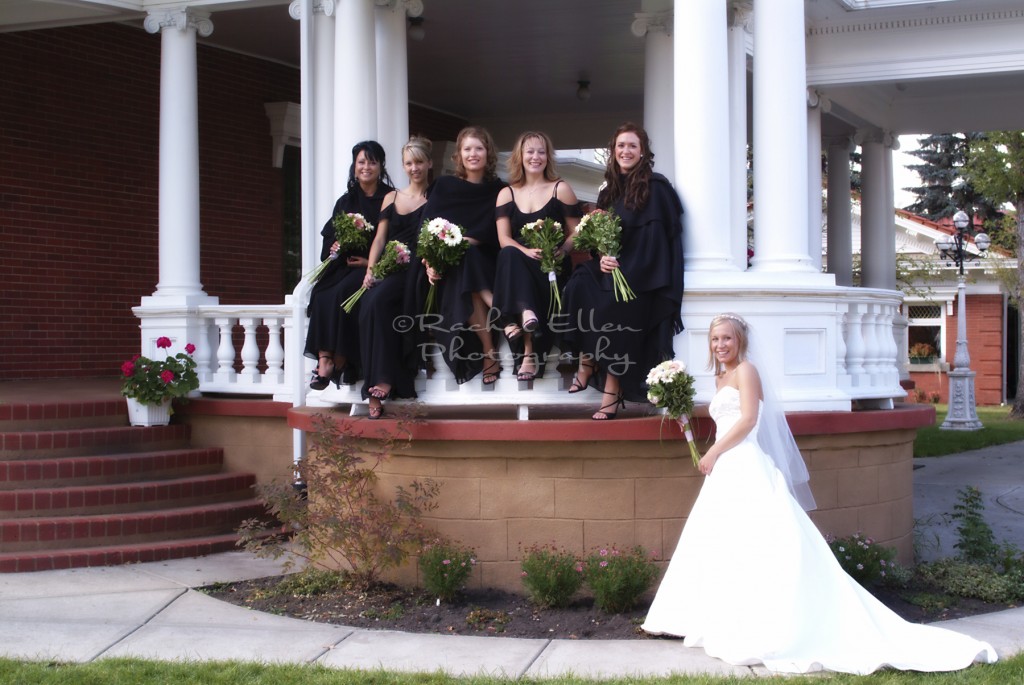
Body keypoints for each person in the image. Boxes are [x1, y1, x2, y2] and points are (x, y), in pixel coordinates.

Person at [641, 313, 997, 675]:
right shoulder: (720, 377)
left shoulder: (747, 371)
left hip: (743, 462)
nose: (721, 345)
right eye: (715, 339)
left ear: (740, 341)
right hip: (725, 470)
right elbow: (724, 417)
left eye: (727, 339)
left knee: (758, 542)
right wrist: (685, 412)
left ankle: (763, 624)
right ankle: (720, 616)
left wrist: (714, 452)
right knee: (725, 542)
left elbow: (747, 420)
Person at [561, 122, 683, 419]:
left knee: (615, 306)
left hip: (643, 275)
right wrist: (601, 257)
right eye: (620, 146)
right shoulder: (609, 193)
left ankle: (611, 391)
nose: (625, 151)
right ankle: (587, 359)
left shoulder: (657, 188)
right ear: (613, 152)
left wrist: (624, 267)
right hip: (612, 269)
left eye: (632, 146)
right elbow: (598, 240)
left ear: (642, 153)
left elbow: (657, 244)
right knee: (578, 283)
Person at [419, 126, 506, 384]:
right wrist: (428, 263)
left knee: (468, 256)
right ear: (458, 154)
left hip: (488, 262)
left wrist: (466, 240)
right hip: (448, 269)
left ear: (488, 153)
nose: (473, 154)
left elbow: (497, 230)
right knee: (464, 264)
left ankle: (489, 350)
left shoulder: (499, 190)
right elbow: (426, 229)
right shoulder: (444, 186)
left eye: (479, 148)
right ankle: (500, 312)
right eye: (467, 149)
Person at [304, 140, 394, 390]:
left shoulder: (389, 198)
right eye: (361, 162)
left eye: (372, 162)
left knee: (343, 294)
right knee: (322, 294)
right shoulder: (345, 201)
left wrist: (370, 262)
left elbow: (393, 239)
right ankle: (324, 361)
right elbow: (329, 236)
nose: (366, 167)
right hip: (344, 265)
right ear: (354, 167)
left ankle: (340, 360)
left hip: (369, 267)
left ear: (381, 166)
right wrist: (335, 245)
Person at [492, 131, 581, 381]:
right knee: (509, 254)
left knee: (513, 262)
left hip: (551, 266)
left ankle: (514, 323)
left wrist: (562, 250)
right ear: (519, 156)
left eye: (541, 151)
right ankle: (527, 335)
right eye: (530, 151)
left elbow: (576, 232)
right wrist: (526, 251)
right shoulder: (506, 193)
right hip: (520, 263)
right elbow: (503, 239)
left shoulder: (560, 189)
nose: (535, 157)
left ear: (548, 156)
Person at [357, 136, 431, 418]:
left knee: (380, 303)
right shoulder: (392, 197)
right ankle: (376, 383)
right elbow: (379, 239)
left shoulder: (435, 197)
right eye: (409, 163)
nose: (415, 168)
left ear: (429, 163)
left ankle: (384, 381)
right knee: (367, 307)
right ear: (403, 166)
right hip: (392, 265)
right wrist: (370, 269)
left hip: (419, 270)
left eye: (419, 162)